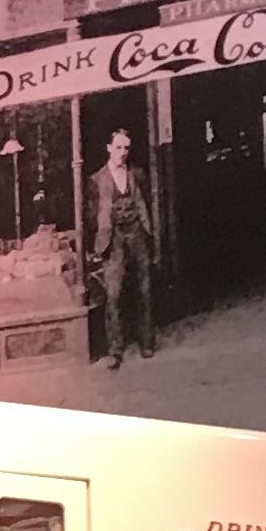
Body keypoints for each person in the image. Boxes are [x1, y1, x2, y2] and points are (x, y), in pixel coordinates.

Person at [86, 125, 156, 365]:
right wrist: (98, 243)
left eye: (126, 148)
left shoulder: (137, 174)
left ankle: (147, 342)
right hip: (113, 238)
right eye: (118, 147)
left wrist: (146, 230)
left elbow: (145, 202)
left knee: (144, 289)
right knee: (114, 293)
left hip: (137, 234)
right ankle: (115, 349)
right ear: (109, 148)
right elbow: (91, 215)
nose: (122, 152)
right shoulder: (97, 180)